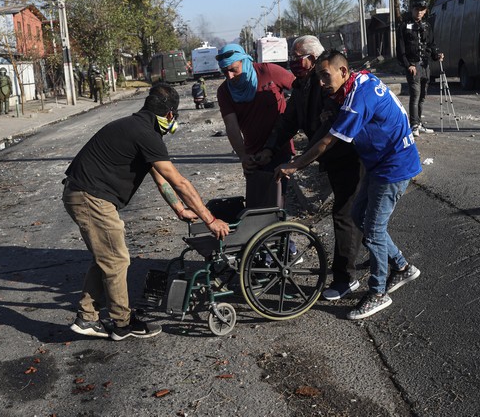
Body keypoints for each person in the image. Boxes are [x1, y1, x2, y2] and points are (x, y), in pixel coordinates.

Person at [63, 83, 230, 341]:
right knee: (117, 260)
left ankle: (87, 317)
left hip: (83, 193)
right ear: (170, 115)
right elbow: (179, 181)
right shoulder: (146, 134)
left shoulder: (137, 127)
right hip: (91, 197)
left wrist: (179, 209)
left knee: (106, 257)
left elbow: (160, 177)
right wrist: (210, 220)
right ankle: (122, 324)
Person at [275, 50, 422, 320]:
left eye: (324, 75)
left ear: (343, 72)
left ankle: (378, 292)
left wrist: (295, 165)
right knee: (358, 217)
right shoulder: (358, 81)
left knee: (374, 232)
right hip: (379, 164)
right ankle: (401, 267)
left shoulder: (358, 98)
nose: (320, 82)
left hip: (394, 167)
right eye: (318, 75)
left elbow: (327, 142)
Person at [255, 35, 364, 301]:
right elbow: (288, 122)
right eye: (291, 57)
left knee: (345, 215)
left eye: (297, 57)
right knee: (361, 214)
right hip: (333, 158)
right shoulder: (303, 86)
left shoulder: (326, 84)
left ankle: (346, 279)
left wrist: (298, 162)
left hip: (351, 156)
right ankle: (387, 261)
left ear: (313, 59)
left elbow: (329, 133)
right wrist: (269, 148)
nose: (292, 62)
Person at [216, 43, 295, 207]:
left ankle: (281, 232)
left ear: (244, 61)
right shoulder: (224, 91)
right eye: (225, 72)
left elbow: (300, 91)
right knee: (258, 205)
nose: (230, 76)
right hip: (254, 156)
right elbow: (232, 126)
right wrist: (243, 156)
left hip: (280, 148)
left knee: (278, 201)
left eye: (233, 69)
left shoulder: (269, 72)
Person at [397, 0, 444, 137]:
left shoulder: (427, 26)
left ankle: (419, 123)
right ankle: (414, 125)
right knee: (415, 96)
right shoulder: (404, 26)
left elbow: (431, 44)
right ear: (412, 10)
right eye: (416, 9)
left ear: (425, 11)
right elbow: (400, 50)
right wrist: (408, 65)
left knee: (423, 96)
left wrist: (437, 55)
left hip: (425, 65)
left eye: (421, 10)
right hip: (413, 66)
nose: (419, 12)